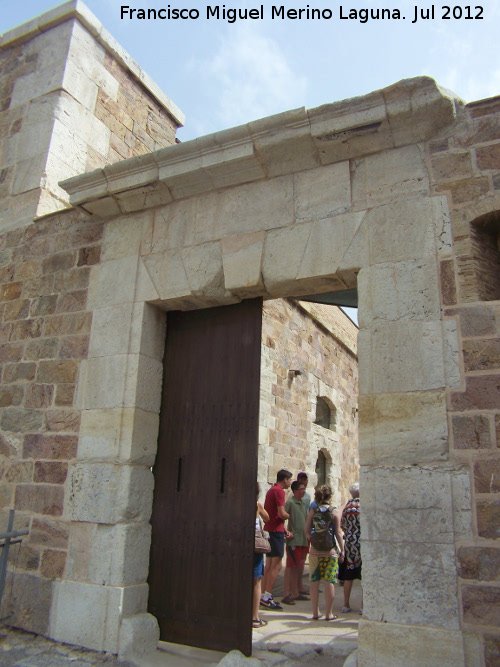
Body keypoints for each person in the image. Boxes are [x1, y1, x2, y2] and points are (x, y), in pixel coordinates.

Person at [305, 484, 344, 621]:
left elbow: (307, 531)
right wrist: (342, 550)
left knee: (314, 582)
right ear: (330, 496)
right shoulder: (335, 512)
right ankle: (329, 613)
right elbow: (338, 533)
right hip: (330, 551)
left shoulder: (313, 511)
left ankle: (315, 612)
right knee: (329, 581)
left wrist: (314, 539)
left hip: (315, 551)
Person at [260, 469, 293, 611]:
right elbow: (281, 513)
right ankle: (267, 596)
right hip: (276, 532)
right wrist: (290, 516)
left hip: (271, 529)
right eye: (290, 480)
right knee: (277, 564)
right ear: (285, 479)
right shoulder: (279, 491)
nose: (290, 483)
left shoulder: (270, 490)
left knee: (269, 564)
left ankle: (263, 595)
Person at [281, 480, 310, 605]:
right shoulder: (290, 503)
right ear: (295, 491)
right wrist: (285, 531)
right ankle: (287, 593)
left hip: (304, 539)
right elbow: (281, 517)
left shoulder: (303, 503)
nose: (303, 491)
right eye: (301, 489)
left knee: (299, 565)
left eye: (304, 489)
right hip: (294, 540)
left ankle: (296, 591)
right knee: (291, 566)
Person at [338, 482, 362, 614]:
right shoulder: (363, 506)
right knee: (364, 573)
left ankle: (346, 604)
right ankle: (363, 606)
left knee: (348, 575)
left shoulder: (347, 507)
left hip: (349, 543)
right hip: (362, 542)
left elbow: (342, 525)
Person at [253, 483, 269, 628]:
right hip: (255, 545)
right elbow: (267, 518)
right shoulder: (256, 504)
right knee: (256, 581)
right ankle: (254, 617)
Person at [296, 472, 311, 595]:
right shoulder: (299, 497)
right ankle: (297, 586)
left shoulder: (307, 496)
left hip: (305, 530)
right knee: (299, 559)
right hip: (301, 532)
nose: (306, 482)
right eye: (304, 480)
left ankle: (298, 584)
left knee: (302, 558)